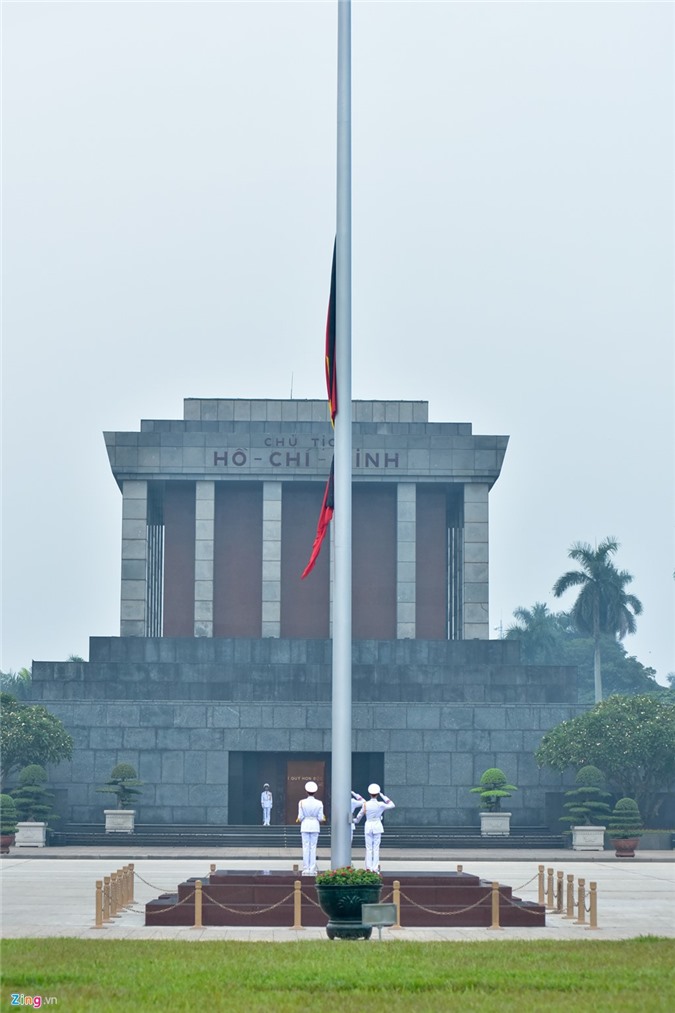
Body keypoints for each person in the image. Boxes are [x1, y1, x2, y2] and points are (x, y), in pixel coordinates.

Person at [358, 783, 395, 872]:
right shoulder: (381, 804)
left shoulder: (365, 804)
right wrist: (383, 796)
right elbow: (392, 805)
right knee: (376, 848)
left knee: (369, 848)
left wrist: (356, 821)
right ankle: (375, 868)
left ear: (369, 794)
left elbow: (360, 815)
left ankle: (368, 867)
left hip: (368, 825)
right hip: (377, 825)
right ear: (377, 794)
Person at [296, 780, 325, 875]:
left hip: (305, 825)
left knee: (305, 847)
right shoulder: (319, 803)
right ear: (315, 792)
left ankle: (306, 868)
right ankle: (312, 869)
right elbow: (321, 818)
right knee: (313, 847)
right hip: (315, 826)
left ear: (306, 791)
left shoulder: (301, 802)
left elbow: (300, 817)